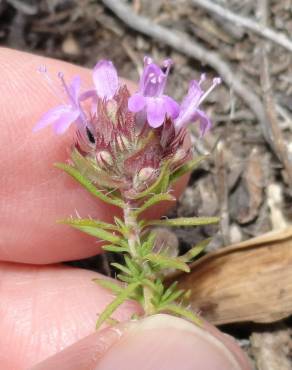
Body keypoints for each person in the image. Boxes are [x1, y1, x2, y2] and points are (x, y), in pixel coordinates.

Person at [0, 47, 251, 370]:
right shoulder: (124, 109)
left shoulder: (153, 107)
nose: (151, 87)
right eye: (149, 85)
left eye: (155, 85)